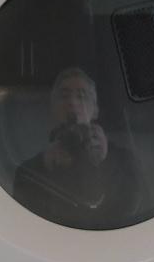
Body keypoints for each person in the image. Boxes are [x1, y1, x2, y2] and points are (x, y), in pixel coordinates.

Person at [14, 67, 147, 230]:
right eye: (64, 96)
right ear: (52, 108)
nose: (72, 102)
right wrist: (44, 168)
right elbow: (30, 224)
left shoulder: (124, 160)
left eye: (82, 96)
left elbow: (133, 213)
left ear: (95, 110)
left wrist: (105, 161)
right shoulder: (30, 171)